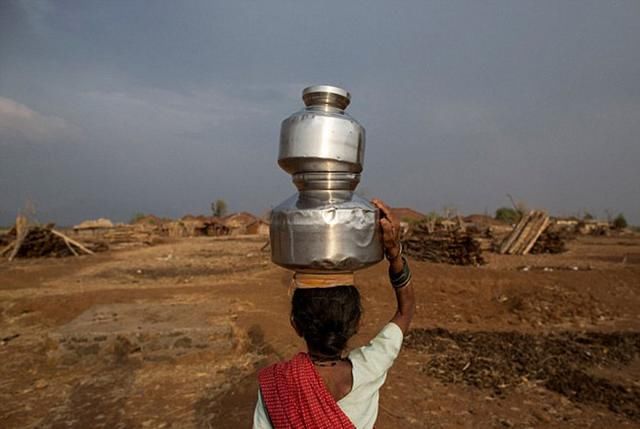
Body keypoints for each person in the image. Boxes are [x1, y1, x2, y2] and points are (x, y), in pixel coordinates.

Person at [252, 199, 416, 429]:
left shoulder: (276, 387)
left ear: (295, 324)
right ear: (356, 323)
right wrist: (394, 253)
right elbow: (405, 310)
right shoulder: (370, 368)